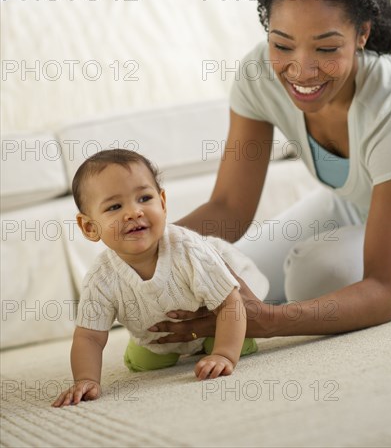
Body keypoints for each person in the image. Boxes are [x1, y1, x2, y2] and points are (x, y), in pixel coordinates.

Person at [148, 0, 391, 346]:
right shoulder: (257, 76)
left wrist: (267, 320)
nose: (302, 70)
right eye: (282, 45)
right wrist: (146, 252)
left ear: (362, 34)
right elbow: (229, 207)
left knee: (314, 275)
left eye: (327, 48)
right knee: (233, 272)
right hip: (359, 204)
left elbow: (383, 292)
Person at [52, 149, 269, 407]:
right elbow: (89, 336)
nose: (133, 212)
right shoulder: (100, 278)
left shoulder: (188, 249)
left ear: (163, 203)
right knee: (144, 363)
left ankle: (214, 345)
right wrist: (86, 379)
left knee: (238, 344)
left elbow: (230, 303)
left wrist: (224, 354)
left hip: (214, 318)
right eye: (115, 206)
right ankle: (159, 350)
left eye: (144, 198)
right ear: (90, 227)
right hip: (156, 337)